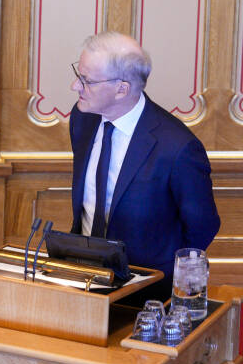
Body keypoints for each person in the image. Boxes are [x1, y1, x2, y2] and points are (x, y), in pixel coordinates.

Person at [68, 31, 219, 286]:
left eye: (87, 80)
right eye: (78, 75)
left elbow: (202, 226)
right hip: (83, 278)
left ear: (121, 89)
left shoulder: (178, 148)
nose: (75, 86)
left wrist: (162, 281)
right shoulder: (83, 118)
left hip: (146, 291)